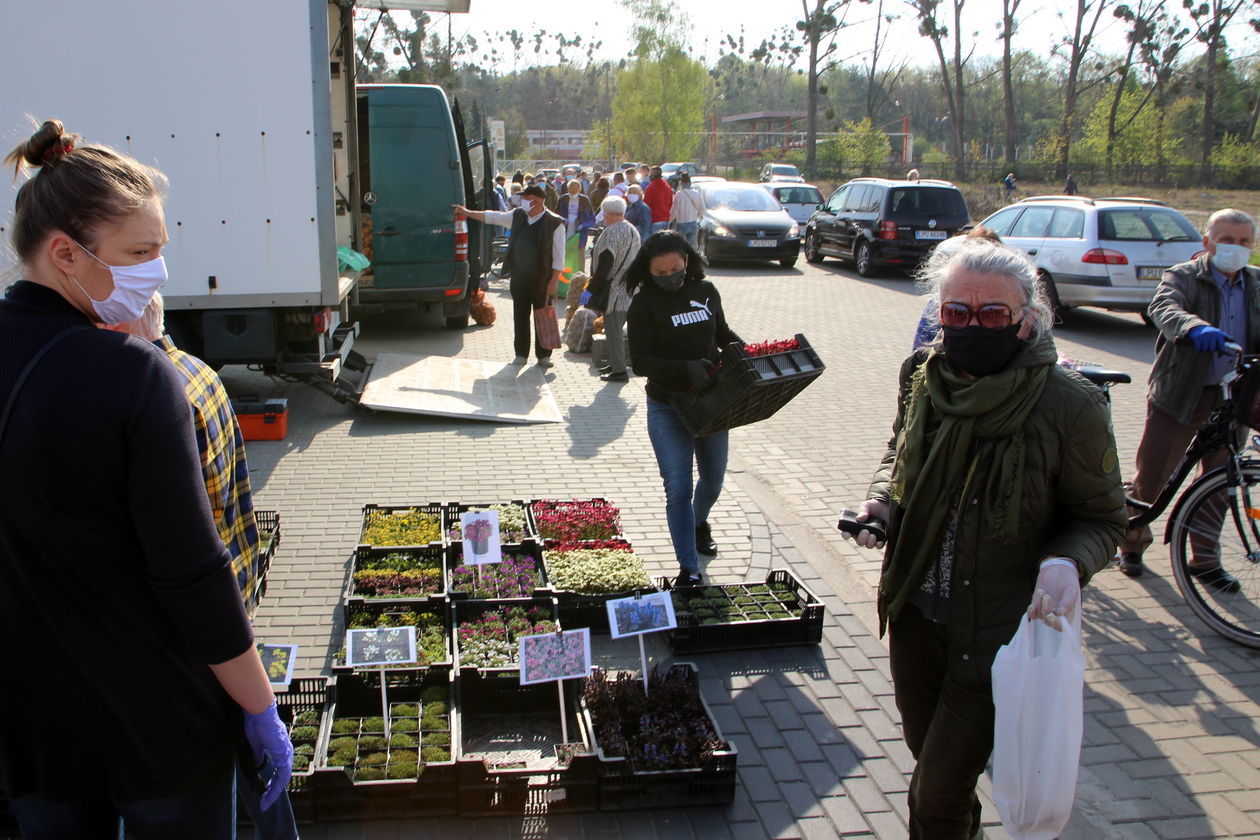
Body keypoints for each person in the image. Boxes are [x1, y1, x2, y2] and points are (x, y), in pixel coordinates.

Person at [0, 119, 291, 838]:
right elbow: (192, 573)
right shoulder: (134, 374)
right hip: (156, 726)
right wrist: (257, 706)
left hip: (29, 729)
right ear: (65, 253)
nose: (158, 273)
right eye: (140, 253)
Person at [843, 238, 1125, 839]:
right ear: (938, 313)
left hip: (998, 631)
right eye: (956, 313)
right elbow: (899, 455)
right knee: (935, 766)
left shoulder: (1067, 403)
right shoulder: (923, 375)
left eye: (993, 314)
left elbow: (1103, 519)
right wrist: (882, 504)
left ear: (1028, 320)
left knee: (933, 796)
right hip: (916, 615)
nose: (973, 326)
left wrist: (1067, 564)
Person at [112, 295, 298, 839]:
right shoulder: (200, 373)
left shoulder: (153, 394)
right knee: (252, 742)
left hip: (197, 618)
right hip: (233, 588)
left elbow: (177, 542)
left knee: (234, 740)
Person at [1118, 208, 1258, 590]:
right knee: (1154, 476)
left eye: (1244, 242)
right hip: (1181, 392)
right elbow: (1163, 307)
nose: (1236, 248)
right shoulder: (1183, 276)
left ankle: (1205, 560)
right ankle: (1131, 542)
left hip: (1233, 397)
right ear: (1207, 242)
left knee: (1220, 481)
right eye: (1227, 240)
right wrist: (1193, 327)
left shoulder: (1256, 283)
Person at [627, 231, 744, 586]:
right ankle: (689, 569)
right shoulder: (643, 304)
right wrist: (683, 368)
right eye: (660, 274)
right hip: (667, 405)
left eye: (675, 269)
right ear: (648, 272)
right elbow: (641, 361)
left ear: (687, 262)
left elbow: (721, 333)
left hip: (710, 403)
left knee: (713, 480)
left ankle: (697, 521)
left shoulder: (705, 292)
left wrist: (741, 349)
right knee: (678, 487)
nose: (670, 278)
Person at [454, 184, 564, 367]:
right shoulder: (518, 216)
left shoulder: (555, 223)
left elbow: (559, 257)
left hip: (542, 280)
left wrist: (553, 281)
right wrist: (468, 212)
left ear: (535, 201)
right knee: (520, 316)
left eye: (526, 198)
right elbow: (493, 217)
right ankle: (521, 354)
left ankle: (544, 355)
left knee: (543, 315)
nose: (522, 202)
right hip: (520, 277)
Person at [586, 196, 642, 382]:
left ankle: (619, 371)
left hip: (616, 291)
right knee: (618, 330)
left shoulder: (611, 232)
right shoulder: (632, 230)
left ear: (607, 213)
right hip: (631, 288)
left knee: (613, 331)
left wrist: (591, 288)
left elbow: (605, 264)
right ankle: (616, 363)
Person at [556, 179, 596, 272]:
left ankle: (580, 275)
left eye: (575, 191)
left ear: (579, 190)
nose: (572, 193)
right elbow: (556, 213)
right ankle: (564, 274)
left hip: (580, 232)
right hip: (565, 230)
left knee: (580, 254)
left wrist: (583, 225)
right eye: (570, 190)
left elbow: (591, 218)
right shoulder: (563, 198)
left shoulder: (585, 200)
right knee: (565, 253)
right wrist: (562, 220)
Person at [669, 173, 703, 247]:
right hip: (693, 222)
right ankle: (690, 257)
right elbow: (702, 209)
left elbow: (675, 211)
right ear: (690, 183)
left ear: (681, 183)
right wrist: (696, 217)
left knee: (680, 245)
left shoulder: (679, 194)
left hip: (682, 223)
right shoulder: (697, 194)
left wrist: (670, 221)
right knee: (690, 246)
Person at [644, 166, 674, 234]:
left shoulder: (651, 188)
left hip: (655, 220)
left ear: (653, 175)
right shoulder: (667, 186)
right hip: (666, 219)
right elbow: (671, 203)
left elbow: (645, 205)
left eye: (650, 174)